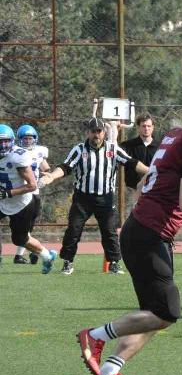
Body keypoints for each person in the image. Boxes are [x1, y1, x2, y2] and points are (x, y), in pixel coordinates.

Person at [75, 88, 182, 375]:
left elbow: (143, 185)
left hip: (144, 230)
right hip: (149, 235)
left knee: (154, 315)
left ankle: (108, 372)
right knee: (167, 311)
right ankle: (96, 336)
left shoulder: (178, 136)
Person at [39, 117, 148, 275]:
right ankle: (68, 262)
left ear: (104, 132)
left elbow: (131, 162)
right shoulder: (79, 149)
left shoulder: (113, 149)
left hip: (105, 198)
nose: (96, 134)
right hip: (82, 198)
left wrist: (151, 171)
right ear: (88, 132)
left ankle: (114, 263)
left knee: (109, 231)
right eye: (93, 131)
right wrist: (52, 176)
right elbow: (66, 167)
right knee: (73, 229)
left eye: (99, 131)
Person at [0, 125, 58, 274]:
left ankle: (47, 255)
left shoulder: (18, 156)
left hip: (22, 203)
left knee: (20, 239)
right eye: (0, 141)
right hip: (3, 199)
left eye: (6, 141)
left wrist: (8, 193)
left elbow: (32, 185)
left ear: (12, 141)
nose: (3, 145)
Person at [13, 124, 50, 265]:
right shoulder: (15, 152)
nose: (28, 141)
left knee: (28, 226)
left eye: (30, 138)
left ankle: (24, 254)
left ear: (35, 139)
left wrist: (46, 176)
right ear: (19, 139)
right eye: (25, 138)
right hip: (20, 193)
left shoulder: (40, 151)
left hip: (34, 192)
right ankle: (32, 252)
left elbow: (45, 168)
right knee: (23, 227)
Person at [119, 112, 158, 201]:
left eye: (149, 126)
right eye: (143, 126)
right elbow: (113, 150)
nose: (146, 129)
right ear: (138, 127)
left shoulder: (160, 147)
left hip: (154, 192)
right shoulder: (128, 146)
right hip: (132, 192)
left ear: (153, 127)